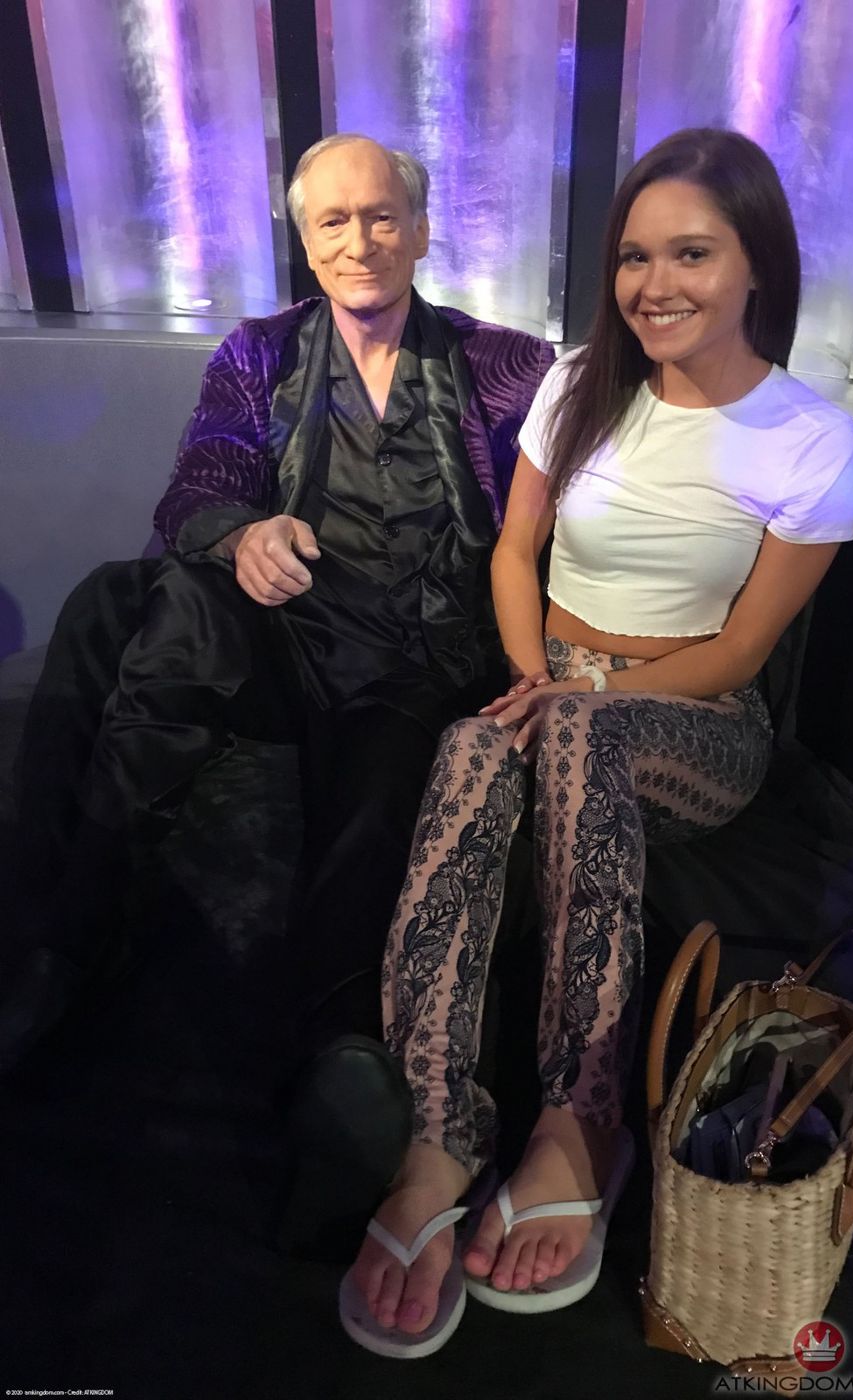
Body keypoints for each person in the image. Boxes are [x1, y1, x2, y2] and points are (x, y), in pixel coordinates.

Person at [340, 127, 853, 1358]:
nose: (654, 283)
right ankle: (438, 1133)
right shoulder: (581, 380)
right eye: (634, 255)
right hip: (553, 682)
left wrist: (582, 698)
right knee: (473, 747)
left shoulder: (808, 438)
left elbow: (739, 653)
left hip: (696, 723)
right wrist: (534, 681)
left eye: (691, 252)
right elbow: (514, 552)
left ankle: (580, 1120)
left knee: (572, 735)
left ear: (755, 265)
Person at [0, 135, 554, 1097]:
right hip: (284, 627)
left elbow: (551, 524)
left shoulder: (507, 364)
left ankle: (333, 1062)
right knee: (133, 596)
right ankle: (55, 938)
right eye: (333, 222)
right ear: (306, 243)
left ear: (420, 231)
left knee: (367, 796)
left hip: (419, 649)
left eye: (380, 217)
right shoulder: (258, 351)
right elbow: (197, 487)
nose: (358, 243)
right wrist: (244, 533)